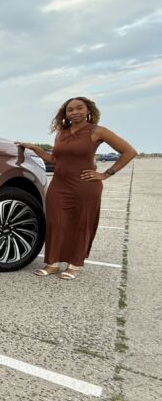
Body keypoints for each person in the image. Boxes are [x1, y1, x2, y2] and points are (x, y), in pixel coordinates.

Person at [16, 96, 137, 280]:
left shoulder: (98, 131)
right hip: (59, 185)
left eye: (79, 108)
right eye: (70, 110)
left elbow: (130, 152)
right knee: (55, 222)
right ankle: (53, 263)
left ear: (89, 110)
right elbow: (54, 160)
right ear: (65, 114)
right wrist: (34, 148)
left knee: (81, 224)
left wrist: (105, 174)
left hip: (85, 186)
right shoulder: (61, 133)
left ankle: (75, 263)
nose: (74, 112)